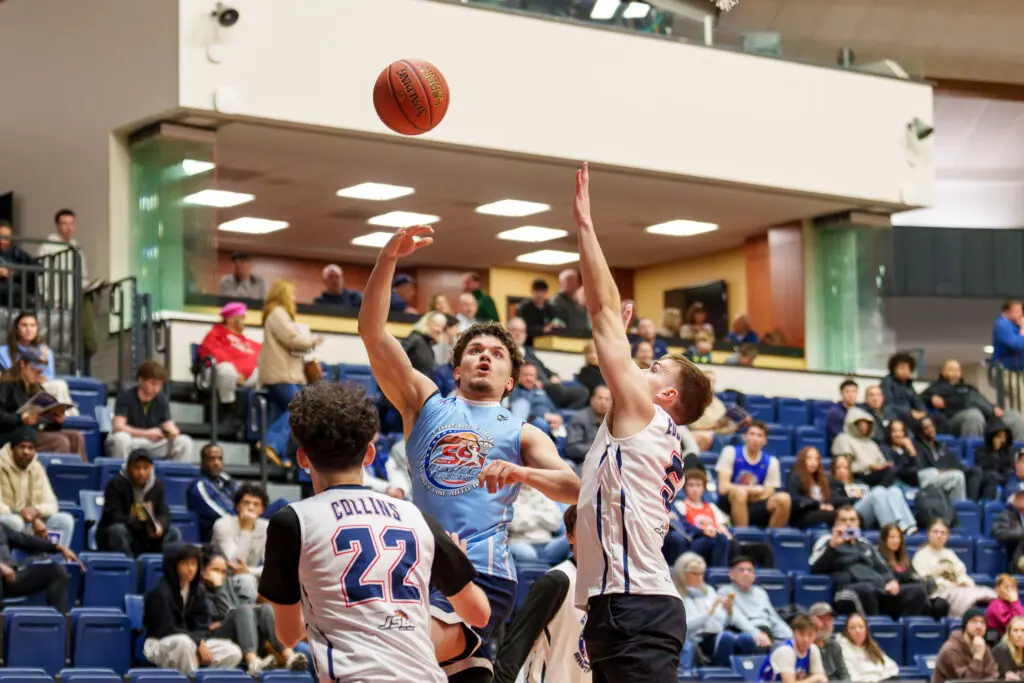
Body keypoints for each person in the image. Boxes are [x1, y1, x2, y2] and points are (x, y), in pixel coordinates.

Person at [357, 226, 578, 681]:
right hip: (419, 565)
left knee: (400, 646)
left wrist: (520, 472)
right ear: (456, 369)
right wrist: (387, 261)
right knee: (445, 666)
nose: (484, 357)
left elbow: (576, 490)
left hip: (485, 571)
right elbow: (373, 333)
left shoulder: (523, 432)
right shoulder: (425, 401)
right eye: (475, 350)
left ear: (511, 379)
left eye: (497, 354)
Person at [569, 162, 713, 682]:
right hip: (622, 607)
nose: (640, 370)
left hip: (637, 606)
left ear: (667, 394)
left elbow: (604, 312)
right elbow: (585, 492)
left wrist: (585, 225)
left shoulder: (645, 417)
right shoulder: (640, 432)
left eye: (653, 369)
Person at [257, 382, 491, 682]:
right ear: (369, 454)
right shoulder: (414, 516)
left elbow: (288, 635)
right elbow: (479, 614)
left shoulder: (292, 522)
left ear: (303, 458)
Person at [493, 505, 590, 683]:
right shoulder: (556, 582)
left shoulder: (613, 586)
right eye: (585, 528)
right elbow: (514, 647)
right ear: (570, 537)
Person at [809, 505, 928, 618]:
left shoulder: (865, 544)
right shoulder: (827, 541)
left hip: (878, 588)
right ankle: (873, 632)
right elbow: (814, 568)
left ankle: (898, 632)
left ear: (858, 523)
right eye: (844, 520)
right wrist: (832, 546)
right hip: (848, 590)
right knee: (865, 590)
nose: (849, 523)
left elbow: (883, 567)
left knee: (917, 591)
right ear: (836, 523)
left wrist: (892, 581)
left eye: (852, 519)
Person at [142, 543, 243, 675]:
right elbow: (167, 629)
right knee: (184, 643)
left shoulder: (198, 590)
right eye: (185, 564)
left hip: (191, 642)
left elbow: (203, 624)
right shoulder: (159, 593)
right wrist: (196, 642)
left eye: (194, 564)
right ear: (174, 565)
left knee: (232, 652)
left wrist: (198, 642)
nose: (191, 569)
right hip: (160, 643)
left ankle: (202, 677)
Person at [201, 551, 307, 675]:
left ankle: (290, 656)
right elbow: (223, 614)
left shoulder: (227, 585)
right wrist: (218, 587)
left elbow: (233, 612)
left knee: (265, 609)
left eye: (223, 571)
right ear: (203, 571)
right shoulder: (199, 591)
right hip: (214, 640)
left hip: (239, 633)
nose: (220, 575)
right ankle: (252, 662)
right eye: (215, 570)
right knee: (244, 610)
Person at [257, 280, 319, 465]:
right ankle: (270, 443)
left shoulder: (278, 314)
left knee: (285, 413)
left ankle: (278, 454)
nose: (294, 298)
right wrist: (311, 340)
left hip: (284, 374)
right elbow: (293, 339)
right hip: (281, 375)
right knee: (298, 409)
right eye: (291, 294)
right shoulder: (278, 313)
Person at [674, 552, 759, 668]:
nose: (700, 577)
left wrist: (729, 612)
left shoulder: (708, 590)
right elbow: (684, 628)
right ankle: (718, 674)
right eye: (695, 573)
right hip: (695, 640)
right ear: (683, 574)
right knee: (727, 638)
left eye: (702, 573)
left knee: (747, 639)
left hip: (716, 635)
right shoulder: (677, 594)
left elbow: (722, 623)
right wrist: (709, 612)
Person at [0, 347, 86, 459]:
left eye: (40, 371)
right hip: (14, 436)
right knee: (60, 442)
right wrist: (20, 418)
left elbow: (43, 423)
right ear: (22, 364)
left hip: (33, 432)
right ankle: (55, 476)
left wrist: (56, 420)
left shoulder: (36, 388)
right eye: (34, 370)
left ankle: (79, 475)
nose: (38, 374)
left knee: (76, 437)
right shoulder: (7, 384)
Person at [97, 449, 181, 556]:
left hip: (146, 535)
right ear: (128, 467)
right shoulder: (116, 484)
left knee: (173, 533)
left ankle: (159, 568)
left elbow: (164, 512)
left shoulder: (157, 485)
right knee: (117, 530)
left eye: (146, 468)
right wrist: (141, 525)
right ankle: (129, 568)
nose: (141, 473)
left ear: (151, 468)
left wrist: (160, 526)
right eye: (137, 468)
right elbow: (113, 515)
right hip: (124, 531)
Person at [0, 427, 76, 545]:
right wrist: (24, 515)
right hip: (8, 519)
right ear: (12, 448)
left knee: (64, 520)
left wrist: (36, 511)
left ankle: (56, 561)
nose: (26, 452)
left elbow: (52, 504)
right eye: (22, 447)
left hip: (31, 521)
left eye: (30, 448)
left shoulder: (37, 467)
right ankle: (12, 562)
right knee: (15, 523)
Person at [106, 360, 194, 462]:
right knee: (120, 439)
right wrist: (146, 433)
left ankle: (178, 476)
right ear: (140, 381)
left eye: (159, 385)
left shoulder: (161, 400)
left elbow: (169, 424)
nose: (156, 388)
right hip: (132, 440)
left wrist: (172, 432)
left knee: (184, 442)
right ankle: (123, 475)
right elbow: (118, 427)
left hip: (153, 442)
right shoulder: (126, 397)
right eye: (153, 383)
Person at [912, 518, 997, 618]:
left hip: (956, 588)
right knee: (966, 596)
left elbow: (961, 573)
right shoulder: (921, 555)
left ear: (947, 536)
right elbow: (925, 581)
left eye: (943, 533)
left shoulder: (950, 553)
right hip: (938, 592)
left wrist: (964, 582)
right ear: (928, 533)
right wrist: (952, 585)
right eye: (935, 532)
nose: (939, 535)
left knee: (989, 593)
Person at [0, 504, 80, 611]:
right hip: (3, 573)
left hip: (11, 577)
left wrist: (58, 547)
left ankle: (59, 624)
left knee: (56, 571)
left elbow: (24, 540)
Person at [923, 359, 1024, 441]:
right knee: (974, 415)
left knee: (1013, 416)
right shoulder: (936, 388)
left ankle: (1019, 453)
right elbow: (921, 399)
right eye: (951, 370)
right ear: (943, 372)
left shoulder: (969, 388)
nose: (955, 372)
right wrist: (931, 398)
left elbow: (981, 400)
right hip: (954, 418)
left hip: (986, 415)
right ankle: (973, 452)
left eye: (957, 370)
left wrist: (993, 408)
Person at [716, 421, 792, 528]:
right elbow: (723, 488)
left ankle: (771, 538)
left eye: (759, 435)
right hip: (729, 503)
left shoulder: (772, 462)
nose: (755, 438)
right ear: (745, 436)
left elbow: (768, 492)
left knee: (784, 499)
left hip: (756, 504)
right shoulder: (730, 452)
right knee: (739, 493)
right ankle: (743, 536)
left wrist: (748, 495)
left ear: (765, 441)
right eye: (752, 434)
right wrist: (751, 490)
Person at [196, 302, 261, 415]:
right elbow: (212, 352)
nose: (245, 323)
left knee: (265, 371)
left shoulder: (245, 340)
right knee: (227, 369)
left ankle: (250, 412)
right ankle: (228, 409)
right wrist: (237, 372)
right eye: (242, 318)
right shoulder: (215, 334)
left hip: (244, 379)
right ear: (232, 320)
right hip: (217, 375)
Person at [211, 482, 269, 602]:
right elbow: (235, 564)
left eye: (256, 504)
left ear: (262, 509)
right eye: (246, 503)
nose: (251, 507)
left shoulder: (267, 527)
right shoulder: (222, 524)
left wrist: (250, 571)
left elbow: (272, 568)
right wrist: (247, 529)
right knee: (246, 580)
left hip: (251, 575)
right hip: (223, 577)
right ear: (237, 506)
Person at [830, 455, 917, 533]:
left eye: (845, 468)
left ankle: (908, 525)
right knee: (878, 491)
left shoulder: (858, 482)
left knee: (894, 490)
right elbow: (835, 500)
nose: (842, 471)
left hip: (871, 510)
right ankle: (890, 529)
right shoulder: (832, 484)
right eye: (838, 468)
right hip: (853, 513)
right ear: (833, 471)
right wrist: (857, 498)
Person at [721, 555, 793, 648]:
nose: (746, 573)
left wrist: (791, 637)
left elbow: (774, 617)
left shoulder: (760, 592)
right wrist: (756, 633)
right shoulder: (725, 592)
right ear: (731, 574)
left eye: (750, 570)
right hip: (745, 632)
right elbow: (737, 619)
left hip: (767, 631)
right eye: (741, 570)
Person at [876, 525, 945, 617]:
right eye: (892, 537)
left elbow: (914, 576)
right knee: (919, 592)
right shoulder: (878, 557)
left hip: (912, 594)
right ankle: (904, 624)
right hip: (891, 597)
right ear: (884, 539)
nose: (896, 540)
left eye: (898, 537)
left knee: (941, 604)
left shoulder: (904, 559)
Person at [831, 408, 897, 488]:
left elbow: (881, 462)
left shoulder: (872, 444)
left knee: (891, 470)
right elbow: (843, 467)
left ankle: (880, 491)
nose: (863, 427)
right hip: (857, 475)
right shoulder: (843, 439)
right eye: (860, 424)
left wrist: (883, 465)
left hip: (874, 475)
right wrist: (868, 466)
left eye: (866, 424)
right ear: (852, 424)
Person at [932, 607, 999, 683]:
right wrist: (978, 656)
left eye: (982, 622)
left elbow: (993, 675)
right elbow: (967, 681)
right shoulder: (950, 649)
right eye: (974, 621)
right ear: (965, 625)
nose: (979, 626)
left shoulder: (983, 646)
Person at [188, 443, 238, 542]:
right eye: (211, 459)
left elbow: (244, 500)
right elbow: (223, 515)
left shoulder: (228, 481)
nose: (216, 463)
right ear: (202, 462)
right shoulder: (199, 486)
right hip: (216, 538)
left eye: (220, 458)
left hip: (238, 530)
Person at [757, 614, 827, 683]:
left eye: (810, 635)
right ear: (794, 633)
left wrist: (818, 678)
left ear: (815, 635)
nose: (806, 639)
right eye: (801, 634)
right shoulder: (786, 651)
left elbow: (823, 679)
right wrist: (815, 678)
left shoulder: (813, 649)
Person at [836, 613, 899, 683]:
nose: (857, 631)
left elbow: (892, 667)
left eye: (861, 627)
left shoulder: (872, 647)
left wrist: (881, 678)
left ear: (866, 630)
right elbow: (851, 676)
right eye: (852, 628)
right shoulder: (842, 648)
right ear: (847, 631)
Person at [786, 446, 837, 529]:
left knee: (845, 514)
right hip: (802, 515)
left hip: (818, 512)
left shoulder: (821, 479)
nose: (813, 462)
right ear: (802, 460)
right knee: (837, 515)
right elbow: (795, 499)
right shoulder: (794, 475)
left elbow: (829, 498)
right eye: (809, 458)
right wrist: (818, 505)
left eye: (816, 459)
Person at [565, 386, 612, 469]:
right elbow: (571, 448)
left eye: (607, 399)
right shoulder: (580, 418)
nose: (603, 402)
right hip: (582, 462)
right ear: (592, 400)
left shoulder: (612, 420)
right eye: (600, 398)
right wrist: (598, 450)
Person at [976, 418, 1016, 500]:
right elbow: (988, 468)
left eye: (1004, 436)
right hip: (988, 477)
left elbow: (1009, 467)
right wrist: (995, 451)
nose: (1002, 440)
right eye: (999, 437)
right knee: (992, 476)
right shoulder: (982, 450)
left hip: (1004, 477)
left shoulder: (1008, 450)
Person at [808, 603, 849, 682]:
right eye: (821, 618)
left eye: (829, 619)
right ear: (810, 620)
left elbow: (845, 676)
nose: (826, 623)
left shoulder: (834, 646)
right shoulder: (804, 646)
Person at [515, 278, 557, 346]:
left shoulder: (551, 309)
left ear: (546, 293)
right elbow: (521, 329)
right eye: (537, 292)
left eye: (542, 292)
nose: (540, 295)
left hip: (546, 345)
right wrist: (543, 329)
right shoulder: (523, 308)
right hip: (527, 344)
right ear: (532, 292)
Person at [993, 484, 1024, 572]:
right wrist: (1022, 533)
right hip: (1019, 556)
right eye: (1021, 497)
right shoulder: (1007, 515)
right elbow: (999, 532)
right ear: (1014, 499)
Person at [992, 615, 1024, 679]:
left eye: (1023, 630)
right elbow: (1009, 677)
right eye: (1015, 630)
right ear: (1009, 633)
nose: (1019, 635)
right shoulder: (1001, 650)